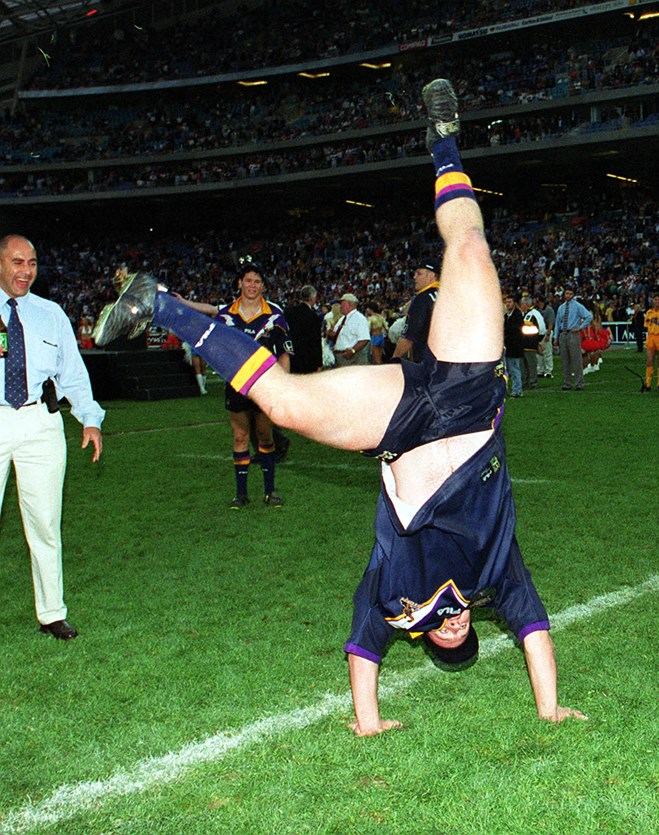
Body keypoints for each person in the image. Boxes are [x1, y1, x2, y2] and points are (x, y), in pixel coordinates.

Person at [93, 78, 587, 735]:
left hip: (404, 427)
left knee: (286, 404)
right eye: (466, 632)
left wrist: (369, 719)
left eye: (449, 640)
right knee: (468, 249)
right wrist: (550, 707)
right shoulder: (501, 579)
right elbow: (535, 631)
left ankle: (157, 303)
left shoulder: (391, 599)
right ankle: (445, 144)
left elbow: (361, 648)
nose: (459, 627)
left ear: (426, 639)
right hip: (470, 397)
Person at [0, 234, 104, 639]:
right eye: (16, 262)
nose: (26, 271)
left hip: (41, 424)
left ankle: (52, 613)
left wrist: (90, 419)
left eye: (32, 263)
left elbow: (73, 375)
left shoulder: (51, 314)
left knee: (45, 523)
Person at [173, 262, 292, 508]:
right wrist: (183, 303)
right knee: (239, 436)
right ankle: (241, 494)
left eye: (257, 282)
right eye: (248, 280)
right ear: (240, 283)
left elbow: (284, 354)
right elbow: (211, 335)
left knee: (264, 436)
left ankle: (270, 491)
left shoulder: (275, 316)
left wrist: (284, 385)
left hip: (265, 386)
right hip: (236, 385)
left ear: (263, 286)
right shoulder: (226, 315)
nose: (252, 286)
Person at [392, 263, 439, 362]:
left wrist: (394, 360)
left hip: (428, 364)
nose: (414, 277)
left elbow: (408, 337)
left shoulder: (422, 298)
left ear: (431, 276)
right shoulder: (448, 295)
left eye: (419, 274)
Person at [553, 286, 592, 390]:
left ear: (573, 295)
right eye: (566, 294)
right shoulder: (561, 307)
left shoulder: (578, 306)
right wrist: (555, 337)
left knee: (576, 359)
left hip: (572, 333)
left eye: (570, 294)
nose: (568, 296)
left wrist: (580, 327)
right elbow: (557, 322)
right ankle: (567, 383)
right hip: (563, 333)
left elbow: (589, 316)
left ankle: (579, 383)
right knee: (565, 360)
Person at [285, 284, 323, 374]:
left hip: (292, 357)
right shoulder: (313, 316)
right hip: (308, 360)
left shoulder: (288, 312)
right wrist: (319, 363)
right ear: (313, 298)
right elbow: (316, 341)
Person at [328, 293, 370, 367]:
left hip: (353, 358)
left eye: (342, 304)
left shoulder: (359, 318)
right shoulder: (342, 319)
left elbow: (365, 339)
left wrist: (352, 351)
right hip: (341, 356)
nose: (340, 307)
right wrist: (331, 335)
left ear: (350, 305)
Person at [519, 295, 545, 389]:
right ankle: (524, 383)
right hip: (522, 344)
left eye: (521, 304)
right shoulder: (523, 314)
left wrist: (537, 341)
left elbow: (542, 328)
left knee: (531, 365)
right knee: (523, 366)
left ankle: (533, 383)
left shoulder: (534, 314)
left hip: (530, 344)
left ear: (525, 304)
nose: (520, 306)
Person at [643, 292, 659, 391]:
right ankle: (648, 383)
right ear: (652, 301)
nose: (657, 301)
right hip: (651, 337)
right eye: (655, 299)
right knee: (649, 361)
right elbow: (647, 326)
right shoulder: (649, 313)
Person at [503, 294, 524, 397]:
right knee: (508, 369)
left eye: (510, 302)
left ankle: (517, 390)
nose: (508, 304)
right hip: (508, 346)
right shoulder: (507, 316)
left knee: (514, 369)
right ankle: (511, 389)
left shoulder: (517, 315)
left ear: (514, 303)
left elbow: (515, 331)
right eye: (506, 302)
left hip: (514, 346)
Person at [580, 307, 611, 374]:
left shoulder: (583, 322)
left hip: (586, 340)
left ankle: (585, 369)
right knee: (592, 352)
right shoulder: (593, 323)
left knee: (584, 354)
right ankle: (594, 365)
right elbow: (597, 332)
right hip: (592, 340)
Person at [535, 297, 555, 378]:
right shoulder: (536, 310)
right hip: (538, 332)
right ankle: (540, 370)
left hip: (546, 331)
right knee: (539, 353)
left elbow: (551, 322)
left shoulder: (549, 310)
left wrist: (548, 334)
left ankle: (548, 370)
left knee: (547, 352)